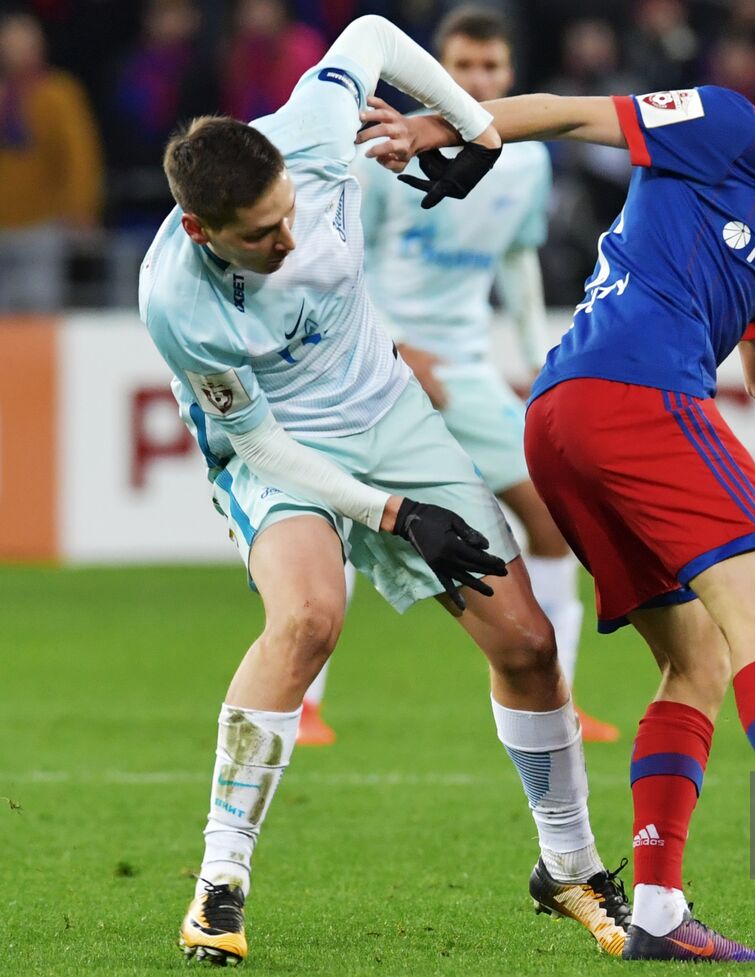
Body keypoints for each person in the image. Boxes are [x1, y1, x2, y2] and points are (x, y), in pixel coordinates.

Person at [359, 30, 755, 962]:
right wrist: (439, 129)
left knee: (698, 661)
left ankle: (656, 913)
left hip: (564, 420)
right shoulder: (724, 127)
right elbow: (568, 114)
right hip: (635, 394)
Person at [138, 16, 629, 967]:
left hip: (391, 413)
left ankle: (568, 865)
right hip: (278, 449)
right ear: (201, 231)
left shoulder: (313, 137)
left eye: (290, 211)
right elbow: (264, 445)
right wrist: (397, 516)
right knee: (308, 619)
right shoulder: (177, 299)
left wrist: (472, 129)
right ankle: (218, 885)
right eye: (260, 234)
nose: (292, 236)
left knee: (528, 643)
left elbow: (370, 32)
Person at [331, 6, 618, 747]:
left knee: (551, 522)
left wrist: (532, 357)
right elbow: (341, 266)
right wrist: (392, 346)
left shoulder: (525, 160)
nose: (478, 80)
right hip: (380, 366)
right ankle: (302, 703)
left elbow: (517, 260)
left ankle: (564, 699)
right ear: (437, 72)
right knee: (332, 526)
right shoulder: (388, 151)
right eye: (463, 69)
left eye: (491, 69)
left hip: (468, 365)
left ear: (509, 74)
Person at [0, 11, 102, 311]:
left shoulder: (59, 92)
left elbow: (80, 155)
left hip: (42, 223)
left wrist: (81, 208)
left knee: (41, 312)